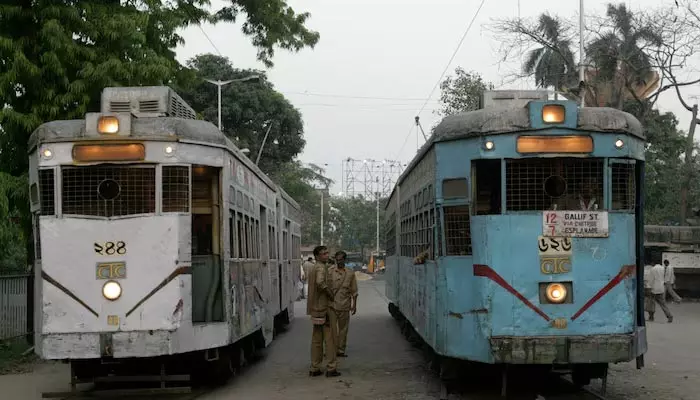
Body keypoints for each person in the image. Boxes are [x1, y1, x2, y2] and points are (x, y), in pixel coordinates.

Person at [307, 245, 340, 377]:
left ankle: (315, 367)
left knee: (316, 339)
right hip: (325, 308)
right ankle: (331, 367)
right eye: (323, 254)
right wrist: (330, 294)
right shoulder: (321, 267)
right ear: (317, 256)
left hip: (316, 309)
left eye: (327, 253)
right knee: (330, 338)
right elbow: (321, 283)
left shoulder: (314, 267)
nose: (326, 255)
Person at [328, 250, 358, 358]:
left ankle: (340, 350)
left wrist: (354, 305)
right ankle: (331, 349)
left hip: (345, 305)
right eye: (337, 259)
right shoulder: (330, 271)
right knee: (331, 330)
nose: (339, 261)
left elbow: (354, 291)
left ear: (345, 260)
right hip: (331, 305)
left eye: (341, 259)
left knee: (343, 329)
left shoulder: (350, 273)